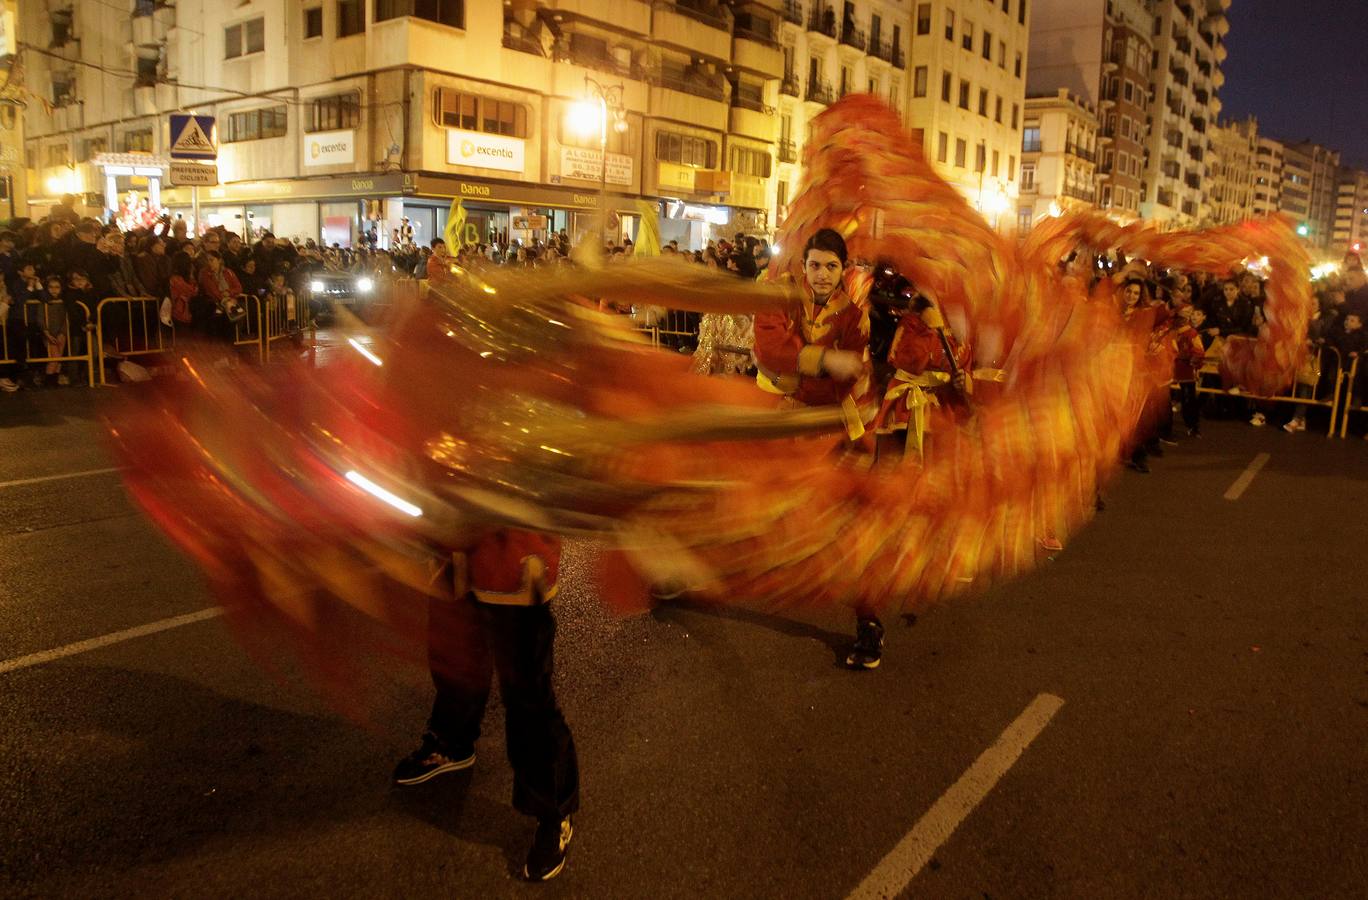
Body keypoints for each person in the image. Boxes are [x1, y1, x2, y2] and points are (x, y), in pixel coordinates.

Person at [394, 263, 578, 883]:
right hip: (451, 551)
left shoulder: (543, 378)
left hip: (510, 559)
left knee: (527, 693)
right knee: (451, 660)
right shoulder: (444, 370)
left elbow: (555, 475)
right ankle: (452, 741)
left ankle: (551, 811)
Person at [753, 228, 884, 669]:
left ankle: (869, 622)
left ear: (842, 269)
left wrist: (826, 366)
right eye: (814, 265)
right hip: (790, 423)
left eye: (831, 266)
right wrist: (825, 360)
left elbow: (853, 372)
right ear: (802, 265)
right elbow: (769, 347)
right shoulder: (782, 298)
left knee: (850, 528)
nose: (822, 274)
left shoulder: (858, 315)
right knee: (750, 504)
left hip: (840, 429)